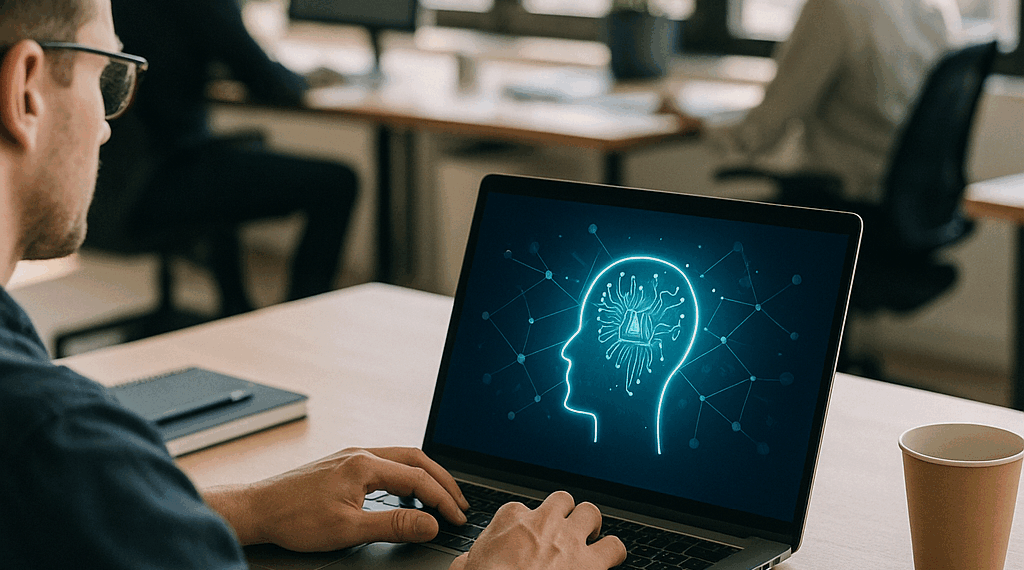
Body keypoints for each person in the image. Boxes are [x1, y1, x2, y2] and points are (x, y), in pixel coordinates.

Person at [0, 1, 626, 568]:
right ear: (27, 88)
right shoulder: (54, 445)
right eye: (108, 77)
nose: (109, 123)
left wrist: (252, 507)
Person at [86, 0, 361, 316]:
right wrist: (306, 79)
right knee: (338, 183)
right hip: (157, 184)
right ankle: (298, 318)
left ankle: (235, 306)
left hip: (106, 187)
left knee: (226, 158)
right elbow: (273, 84)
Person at [676, 0, 963, 204]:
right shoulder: (935, 9)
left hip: (848, 203)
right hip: (914, 204)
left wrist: (701, 125)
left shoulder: (834, 8)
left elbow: (761, 132)